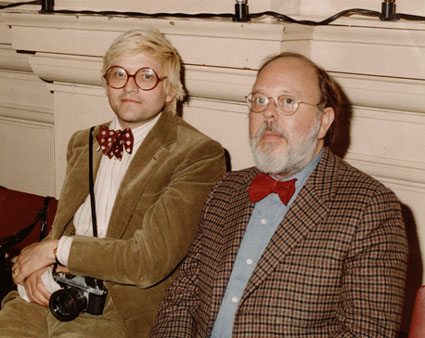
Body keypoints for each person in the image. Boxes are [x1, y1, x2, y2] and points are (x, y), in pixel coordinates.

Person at [150, 52, 409, 337]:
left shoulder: (369, 208)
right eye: (260, 100)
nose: (268, 114)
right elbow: (180, 301)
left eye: (288, 102)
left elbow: (367, 333)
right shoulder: (225, 191)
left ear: (324, 121)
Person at [0, 29, 226, 337]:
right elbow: (63, 230)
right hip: (55, 293)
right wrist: (38, 270)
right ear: (107, 83)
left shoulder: (199, 154)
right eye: (119, 73)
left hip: (118, 308)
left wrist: (53, 251)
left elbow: (146, 261)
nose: (130, 86)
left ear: (170, 90)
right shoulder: (84, 141)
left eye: (146, 76)